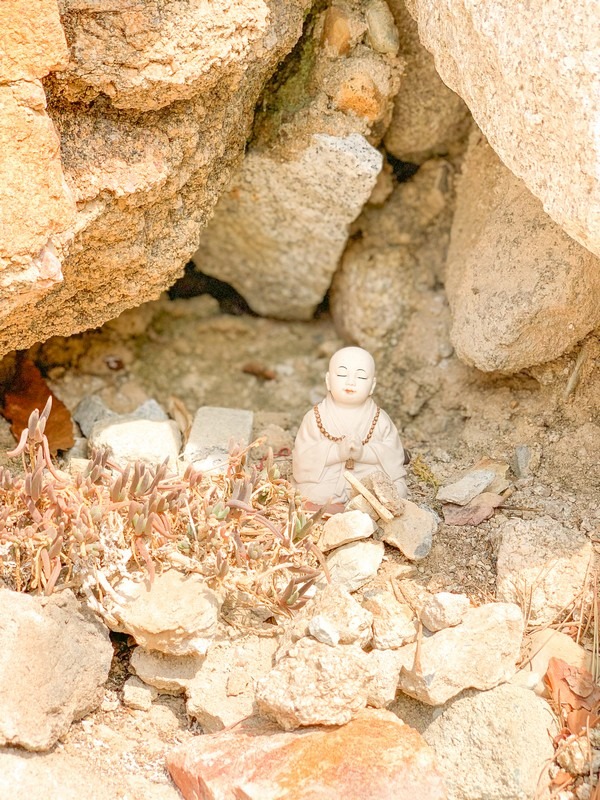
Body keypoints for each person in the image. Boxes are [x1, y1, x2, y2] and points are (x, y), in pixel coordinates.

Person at [292, 346, 408, 505]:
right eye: (341, 374)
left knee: (396, 489)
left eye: (360, 377)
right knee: (308, 492)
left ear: (372, 385)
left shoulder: (379, 418)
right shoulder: (315, 417)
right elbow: (303, 456)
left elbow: (393, 454)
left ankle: (365, 502)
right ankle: (360, 505)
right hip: (329, 480)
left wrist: (364, 453)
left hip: (367, 476)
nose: (351, 382)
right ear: (328, 380)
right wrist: (337, 453)